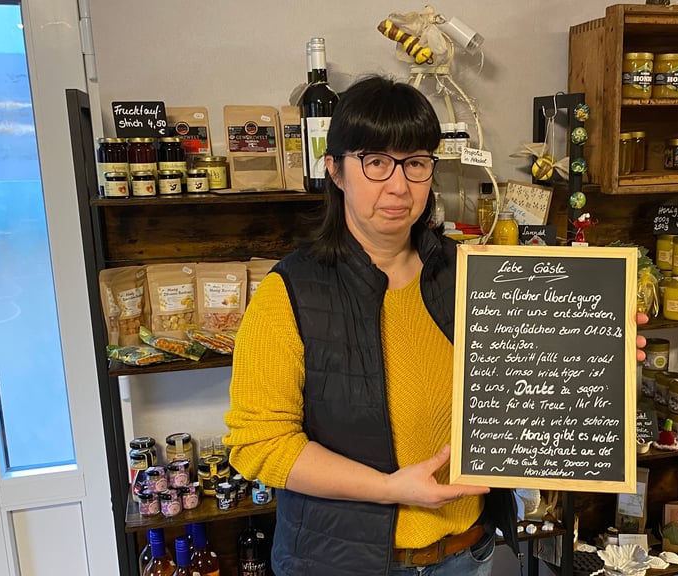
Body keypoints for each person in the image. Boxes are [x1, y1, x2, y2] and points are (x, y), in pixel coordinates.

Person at [224, 75, 648, 576]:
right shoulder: (289, 293)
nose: (399, 185)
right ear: (335, 171)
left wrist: (595, 355)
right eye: (375, 162)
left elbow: (518, 387)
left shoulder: (471, 274)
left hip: (466, 555)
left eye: (417, 164)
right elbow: (259, 446)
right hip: (344, 564)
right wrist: (389, 488)